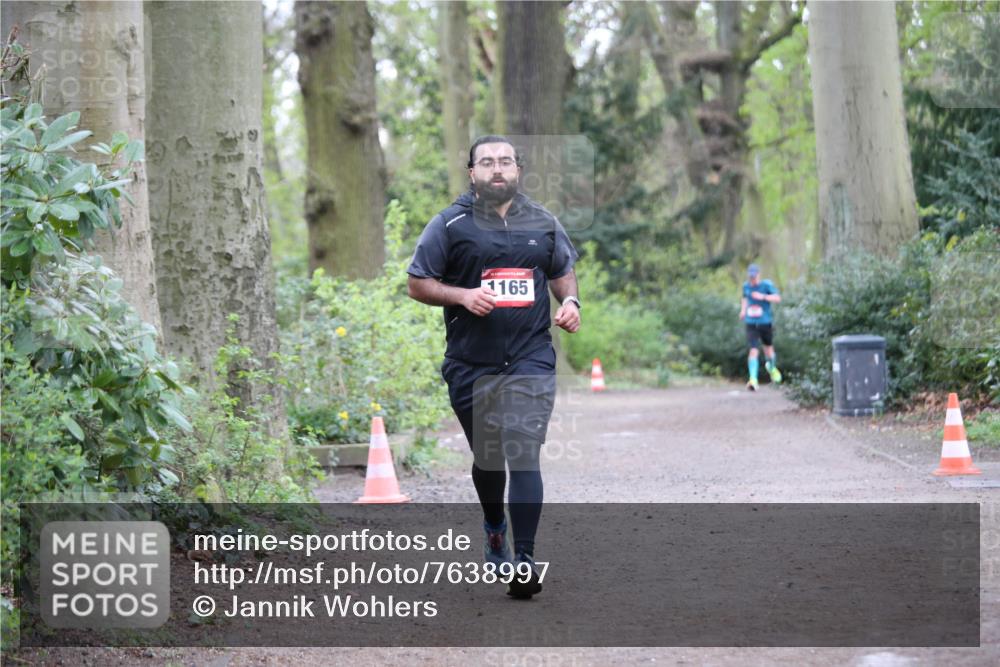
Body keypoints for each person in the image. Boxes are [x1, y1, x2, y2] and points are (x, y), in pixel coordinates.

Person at [406, 135, 581, 599]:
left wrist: (571, 303)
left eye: (505, 161)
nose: (497, 168)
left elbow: (562, 271)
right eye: (487, 162)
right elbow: (418, 282)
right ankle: (493, 526)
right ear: (472, 173)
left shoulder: (542, 221)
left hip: (530, 357)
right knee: (489, 458)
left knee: (523, 451)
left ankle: (524, 559)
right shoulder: (449, 224)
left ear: (518, 169)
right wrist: (462, 295)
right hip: (471, 363)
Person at [739, 263, 782, 391]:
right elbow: (744, 298)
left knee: (768, 350)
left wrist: (763, 296)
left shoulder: (766, 285)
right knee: (753, 350)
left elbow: (777, 298)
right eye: (750, 277)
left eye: (754, 276)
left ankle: (772, 367)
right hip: (751, 323)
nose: (752, 279)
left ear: (758, 275)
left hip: (765, 322)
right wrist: (743, 310)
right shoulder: (746, 286)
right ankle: (753, 379)